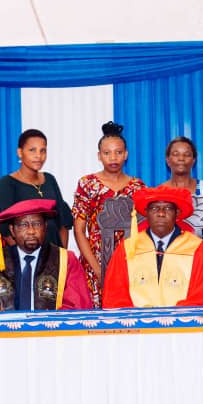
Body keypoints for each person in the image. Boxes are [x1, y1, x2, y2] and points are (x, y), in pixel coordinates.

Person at [102, 187, 203, 308]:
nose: (161, 213)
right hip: (137, 322)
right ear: (146, 213)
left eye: (168, 208)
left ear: (177, 213)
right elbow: (115, 298)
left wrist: (171, 317)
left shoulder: (198, 249)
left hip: (182, 321)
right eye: (154, 208)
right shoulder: (128, 249)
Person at [0, 199, 92, 312]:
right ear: (12, 230)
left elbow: (77, 306)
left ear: (45, 227)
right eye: (23, 225)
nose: (31, 231)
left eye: (37, 224)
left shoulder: (66, 260)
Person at [72, 121, 146, 307]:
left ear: (126, 154)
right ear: (99, 155)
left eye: (118, 152)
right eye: (107, 153)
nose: (113, 157)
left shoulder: (137, 187)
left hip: (130, 264)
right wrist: (97, 269)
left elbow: (144, 230)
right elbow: (79, 230)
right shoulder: (88, 184)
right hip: (94, 263)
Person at [0, 129, 73, 249]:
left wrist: (61, 254)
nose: (38, 156)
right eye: (32, 150)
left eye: (43, 150)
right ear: (20, 152)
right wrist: (29, 256)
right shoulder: (7, 184)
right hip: (26, 257)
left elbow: (63, 222)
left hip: (54, 254)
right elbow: (5, 231)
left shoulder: (50, 179)